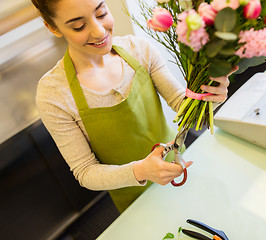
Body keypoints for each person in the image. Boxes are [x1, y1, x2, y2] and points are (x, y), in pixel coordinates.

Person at [32, 0, 233, 212]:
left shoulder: (139, 50)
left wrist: (212, 96)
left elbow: (183, 107)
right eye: (78, 26)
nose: (99, 32)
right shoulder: (53, 94)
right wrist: (141, 171)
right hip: (134, 199)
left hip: (181, 167)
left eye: (101, 14)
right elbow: (85, 172)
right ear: (52, 27)